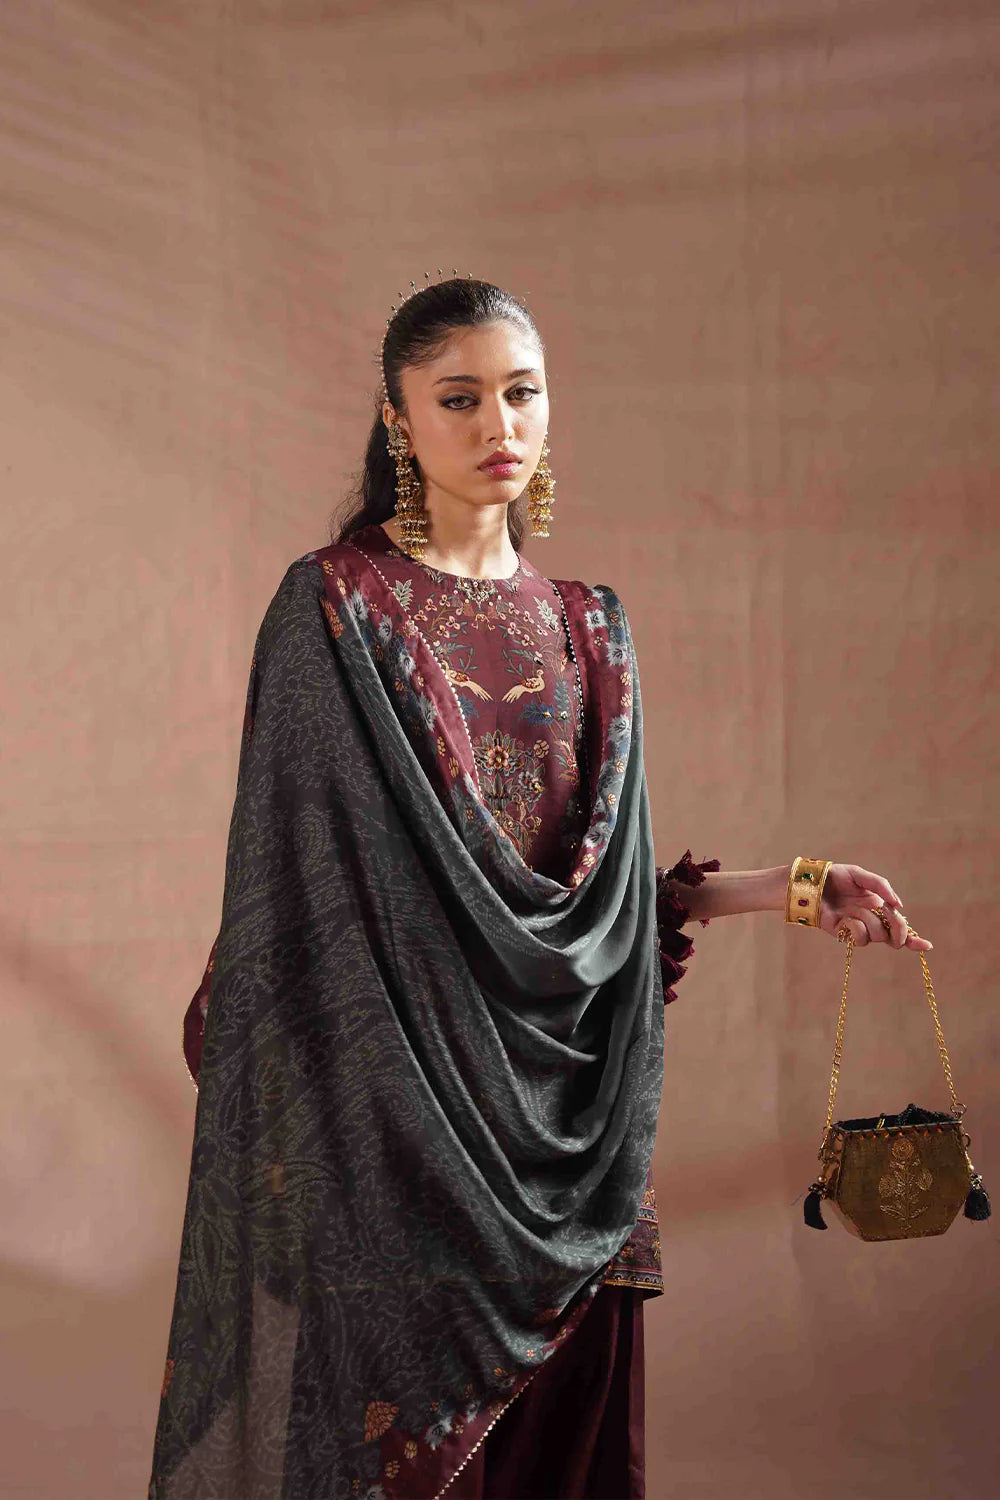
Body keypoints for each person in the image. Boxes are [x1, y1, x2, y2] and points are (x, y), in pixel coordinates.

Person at [148, 276, 930, 1500]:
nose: (497, 425)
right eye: (458, 399)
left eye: (521, 393)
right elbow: (300, 903)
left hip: (578, 1145)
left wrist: (790, 887)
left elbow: (592, 915)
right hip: (400, 1144)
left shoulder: (589, 629)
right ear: (398, 420)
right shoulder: (337, 609)